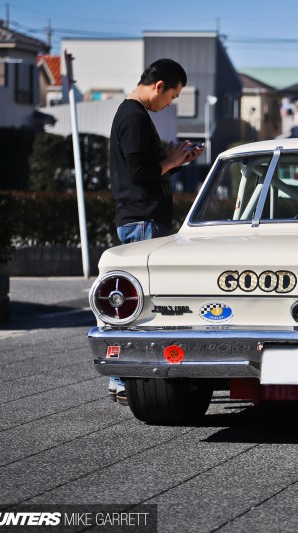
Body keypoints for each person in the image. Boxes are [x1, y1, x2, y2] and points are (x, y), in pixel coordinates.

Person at [108, 58, 205, 405]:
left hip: (141, 217)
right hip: (142, 219)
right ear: (159, 85)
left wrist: (175, 161)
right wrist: (171, 161)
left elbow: (146, 169)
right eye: (172, 96)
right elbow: (139, 174)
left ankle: (123, 377)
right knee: (141, 300)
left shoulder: (134, 114)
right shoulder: (134, 116)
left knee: (138, 298)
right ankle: (123, 378)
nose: (170, 104)